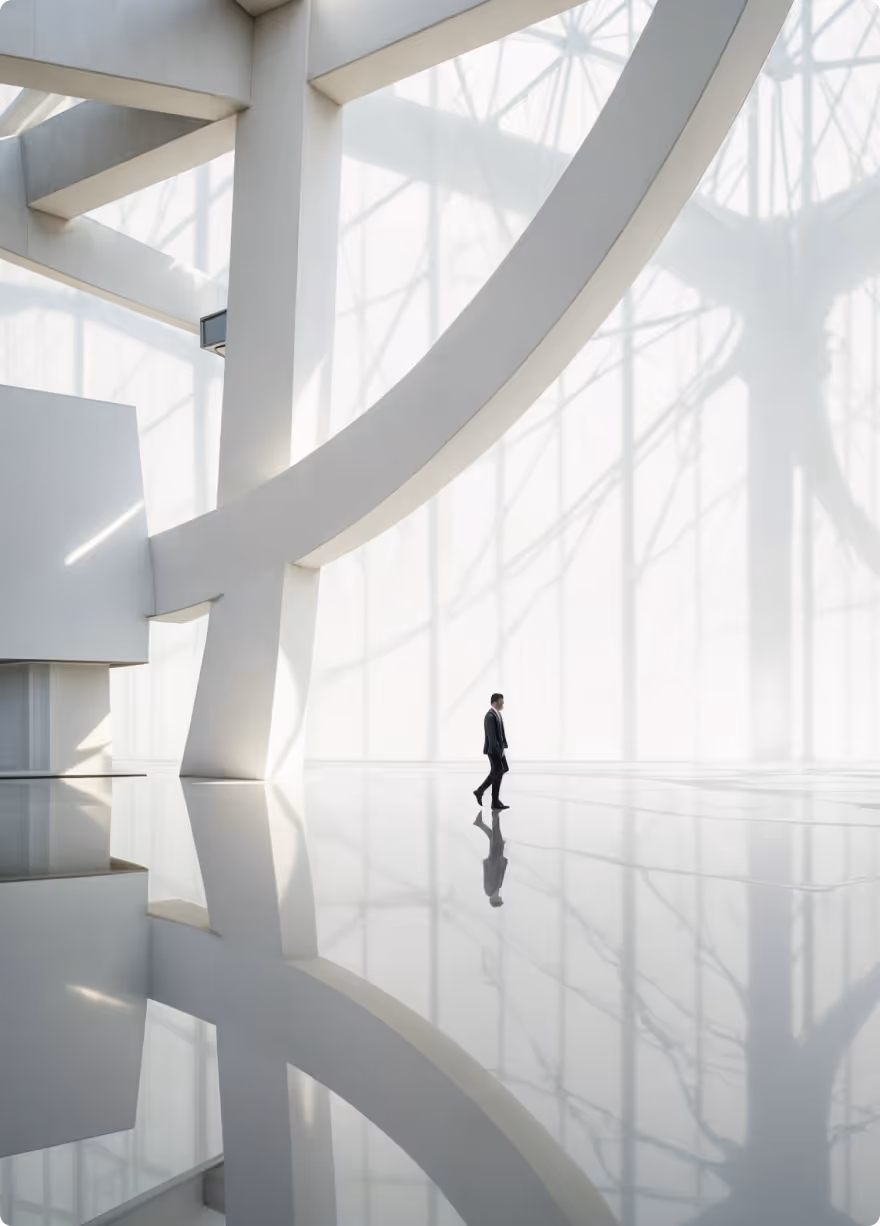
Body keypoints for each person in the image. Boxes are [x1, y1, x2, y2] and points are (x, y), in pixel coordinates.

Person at [474, 692, 509, 810]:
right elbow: (492, 737)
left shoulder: (498, 714)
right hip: (494, 750)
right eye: (501, 701)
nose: (502, 703)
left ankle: (482, 792)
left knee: (501, 770)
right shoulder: (490, 716)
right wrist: (498, 751)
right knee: (498, 771)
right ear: (494, 702)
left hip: (500, 749)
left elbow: (501, 733)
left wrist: (504, 746)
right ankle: (493, 800)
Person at [474, 808, 508, 907]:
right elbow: (501, 873)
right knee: (496, 839)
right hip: (497, 859)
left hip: (494, 860)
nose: (500, 897)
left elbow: (489, 874)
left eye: (499, 899)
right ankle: (480, 823)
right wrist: (503, 862)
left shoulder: (489, 890)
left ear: (495, 899)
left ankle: (495, 813)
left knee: (496, 838)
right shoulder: (497, 888)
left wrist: (494, 861)